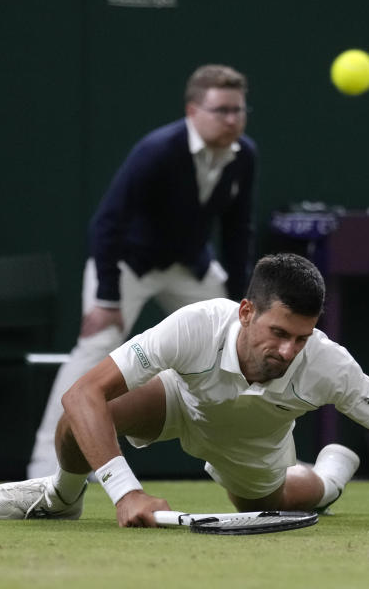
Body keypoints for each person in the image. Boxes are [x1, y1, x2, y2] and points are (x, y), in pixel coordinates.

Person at [0, 253, 369, 531]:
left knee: (282, 498)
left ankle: (329, 475)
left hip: (252, 444)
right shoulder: (195, 324)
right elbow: (81, 394)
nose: (289, 351)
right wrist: (126, 493)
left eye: (301, 338)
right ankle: (61, 497)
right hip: (181, 400)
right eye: (279, 333)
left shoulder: (328, 362)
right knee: (82, 414)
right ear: (246, 313)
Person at [27, 64, 258, 478]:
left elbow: (238, 230)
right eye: (221, 110)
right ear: (193, 111)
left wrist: (243, 300)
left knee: (240, 339)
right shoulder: (157, 150)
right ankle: (45, 466)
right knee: (95, 347)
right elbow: (106, 224)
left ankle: (259, 458)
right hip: (126, 264)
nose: (232, 120)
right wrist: (107, 299)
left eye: (238, 111)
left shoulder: (245, 155)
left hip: (189, 266)